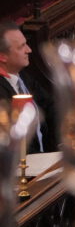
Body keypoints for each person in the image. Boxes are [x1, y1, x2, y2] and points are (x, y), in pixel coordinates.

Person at [0, 22, 54, 153]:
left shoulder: (23, 75)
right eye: (21, 47)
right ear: (3, 56)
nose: (29, 50)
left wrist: (59, 146)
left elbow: (52, 107)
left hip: (44, 158)